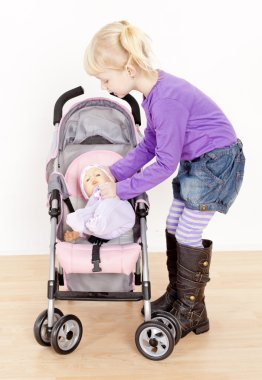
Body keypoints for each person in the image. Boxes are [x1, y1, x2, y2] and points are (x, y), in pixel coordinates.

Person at [83, 20, 245, 337]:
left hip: (216, 163)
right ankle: (179, 297)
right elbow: (149, 146)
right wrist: (113, 174)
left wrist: (121, 190)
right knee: (173, 225)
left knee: (187, 231)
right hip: (198, 162)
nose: (104, 86)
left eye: (105, 79)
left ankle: (191, 310)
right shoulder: (153, 95)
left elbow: (165, 163)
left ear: (128, 68)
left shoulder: (167, 100)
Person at [64, 164, 135, 241]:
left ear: (110, 180)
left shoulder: (115, 187)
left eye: (98, 175)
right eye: (87, 180)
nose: (92, 178)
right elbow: (88, 218)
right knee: (89, 214)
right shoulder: (91, 202)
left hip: (123, 218)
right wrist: (75, 233)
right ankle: (82, 222)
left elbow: (125, 192)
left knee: (108, 204)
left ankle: (91, 222)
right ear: (85, 192)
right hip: (105, 231)